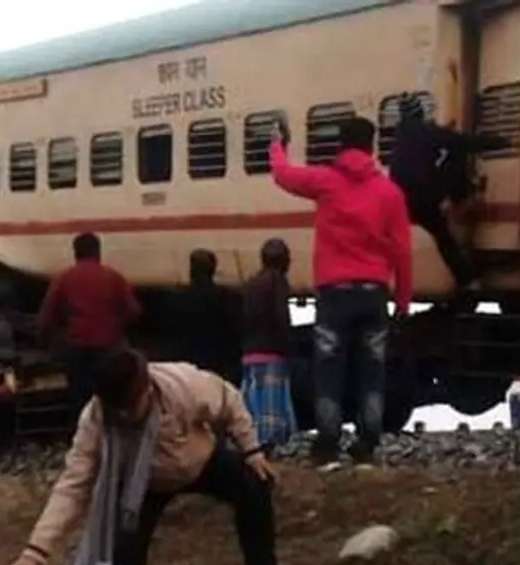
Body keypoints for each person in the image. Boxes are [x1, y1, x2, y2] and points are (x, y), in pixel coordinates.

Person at [3, 347, 319, 565]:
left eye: (130, 408)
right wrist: (36, 552)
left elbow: (229, 400)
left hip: (200, 460)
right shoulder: (96, 420)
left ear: (146, 390)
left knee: (255, 489)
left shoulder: (182, 385)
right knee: (122, 558)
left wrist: (251, 449)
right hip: (142, 486)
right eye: (117, 411)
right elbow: (73, 485)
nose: (124, 416)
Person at [269, 117, 413, 470]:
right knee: (372, 368)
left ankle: (329, 441)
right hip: (374, 293)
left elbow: (283, 175)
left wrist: (276, 146)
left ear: (340, 145)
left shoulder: (326, 182)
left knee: (329, 369)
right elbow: (402, 250)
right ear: (371, 147)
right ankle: (368, 440)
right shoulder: (390, 193)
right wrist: (403, 300)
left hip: (334, 295)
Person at [387, 93, 514, 294]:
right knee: (445, 238)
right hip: (424, 198)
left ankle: (467, 279)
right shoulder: (427, 132)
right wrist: (501, 141)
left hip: (402, 198)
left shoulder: (402, 136)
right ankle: (463, 197)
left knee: (442, 236)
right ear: (420, 112)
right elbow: (462, 141)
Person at [38, 232, 142, 412]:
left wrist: (48, 339)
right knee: (113, 396)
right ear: (98, 252)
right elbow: (133, 312)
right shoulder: (113, 277)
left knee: (79, 399)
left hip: (76, 348)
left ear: (75, 252)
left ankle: (82, 432)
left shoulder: (63, 278)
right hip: (109, 346)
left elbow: (47, 317)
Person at [240, 238, 298, 448]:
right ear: (282, 261)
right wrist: (290, 345)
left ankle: (251, 442)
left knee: (251, 403)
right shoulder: (277, 282)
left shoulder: (250, 283)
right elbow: (280, 317)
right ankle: (269, 443)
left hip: (249, 353)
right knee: (272, 407)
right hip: (271, 352)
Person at [174, 248, 241, 382]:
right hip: (217, 364)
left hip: (188, 365)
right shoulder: (226, 298)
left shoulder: (178, 298)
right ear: (213, 270)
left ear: (191, 270)